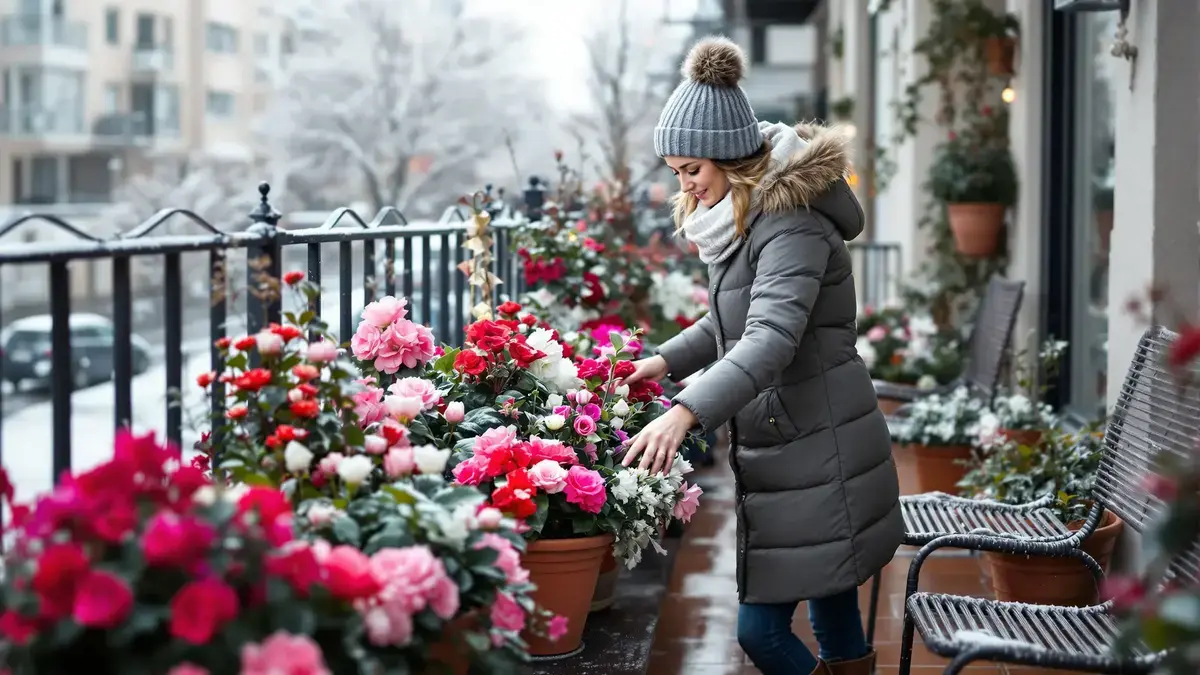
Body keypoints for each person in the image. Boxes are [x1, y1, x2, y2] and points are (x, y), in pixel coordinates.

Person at [619, 36, 903, 675]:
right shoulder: (748, 218)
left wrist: (685, 412)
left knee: (760, 631)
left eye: (692, 169)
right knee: (834, 611)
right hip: (798, 438)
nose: (685, 185)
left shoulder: (790, 223)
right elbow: (733, 320)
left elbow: (769, 339)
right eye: (677, 172)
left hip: (817, 441)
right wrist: (663, 362)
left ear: (728, 157)